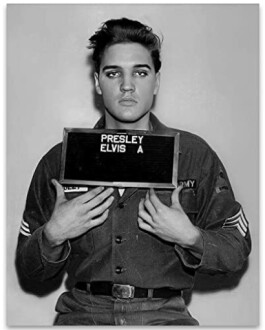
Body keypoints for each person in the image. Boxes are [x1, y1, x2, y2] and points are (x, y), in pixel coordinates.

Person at [16, 17, 251, 326]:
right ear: (98, 82)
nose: (127, 86)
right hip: (83, 315)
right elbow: (29, 268)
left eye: (140, 72)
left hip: (165, 317)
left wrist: (190, 237)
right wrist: (53, 235)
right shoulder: (60, 160)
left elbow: (236, 250)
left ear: (156, 81)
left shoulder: (194, 155)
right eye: (114, 73)